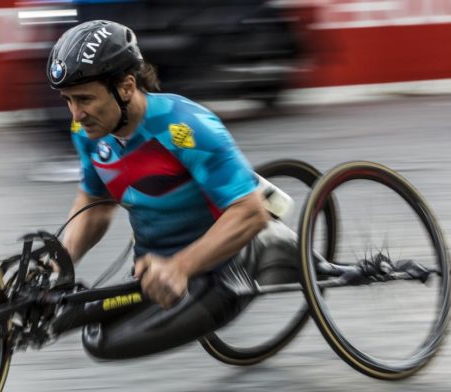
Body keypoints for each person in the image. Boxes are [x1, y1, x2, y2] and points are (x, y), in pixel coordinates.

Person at [48, 20, 299, 359]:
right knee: (80, 326)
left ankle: (280, 248)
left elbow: (250, 213)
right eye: (67, 100)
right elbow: (96, 202)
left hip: (221, 267)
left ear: (126, 86)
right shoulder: (86, 131)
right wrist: (60, 263)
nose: (76, 114)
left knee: (106, 345)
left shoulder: (186, 126)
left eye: (85, 99)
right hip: (154, 269)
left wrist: (181, 266)